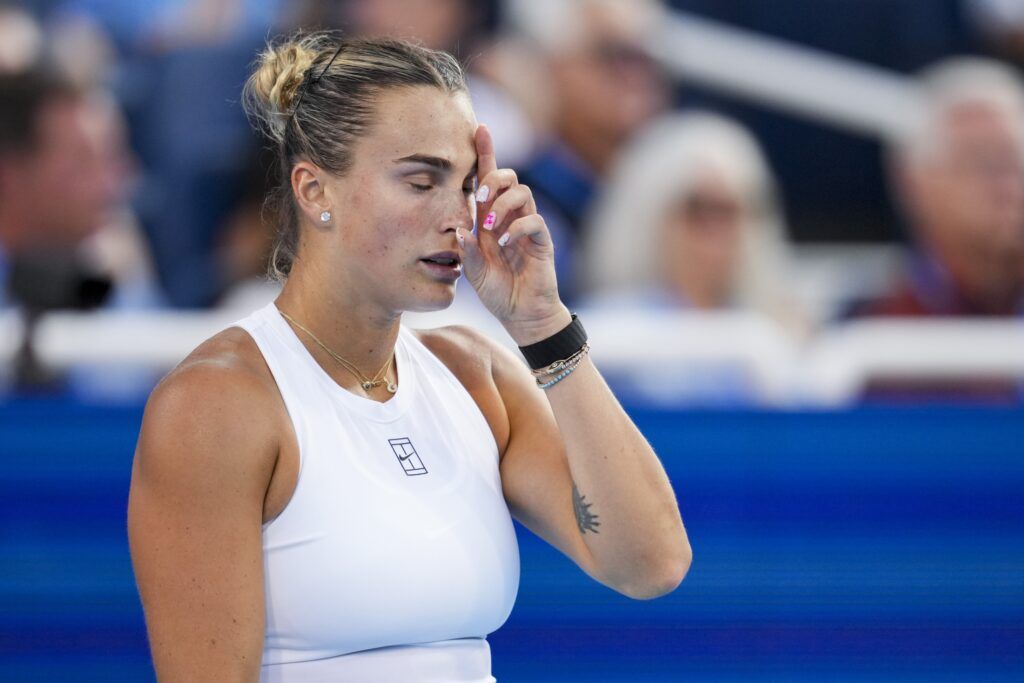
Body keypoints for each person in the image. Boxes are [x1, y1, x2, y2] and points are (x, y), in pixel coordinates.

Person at [127, 32, 691, 682]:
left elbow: (651, 562)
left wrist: (542, 324)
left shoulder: (474, 374)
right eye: (422, 181)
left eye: (468, 185)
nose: (458, 218)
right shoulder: (216, 405)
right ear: (314, 191)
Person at [848, 57, 1024, 318]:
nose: (1008, 186)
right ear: (914, 181)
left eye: (1016, 162)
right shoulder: (871, 320)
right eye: (982, 162)